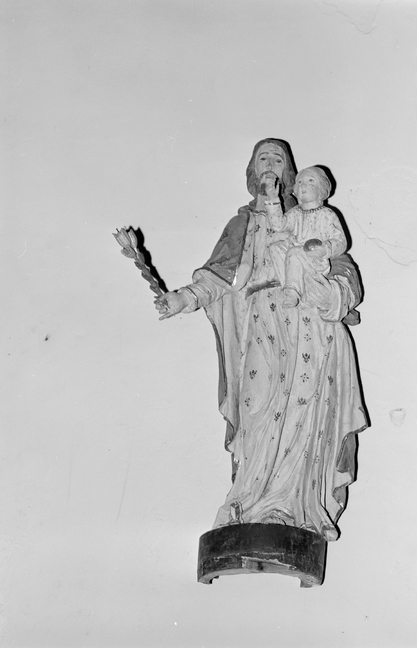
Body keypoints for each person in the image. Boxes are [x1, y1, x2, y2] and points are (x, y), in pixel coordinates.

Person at [155, 139, 368, 541]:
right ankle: (248, 503)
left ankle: (296, 509)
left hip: (308, 322)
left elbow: (343, 269)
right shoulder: (242, 224)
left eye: (278, 159)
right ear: (252, 171)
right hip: (260, 320)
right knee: (256, 409)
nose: (270, 164)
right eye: (262, 158)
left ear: (290, 173)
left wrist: (333, 295)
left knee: (303, 412)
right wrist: (184, 298)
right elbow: (219, 276)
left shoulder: (308, 217)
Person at [263, 166, 347, 308]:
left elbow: (340, 241)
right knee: (275, 248)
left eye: (310, 181)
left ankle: (293, 292)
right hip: (295, 251)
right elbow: (278, 226)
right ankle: (289, 287)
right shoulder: (295, 212)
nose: (303, 185)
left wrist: (325, 249)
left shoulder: (327, 214)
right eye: (300, 182)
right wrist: (273, 199)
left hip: (315, 259)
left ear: (321, 189)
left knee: (294, 252)